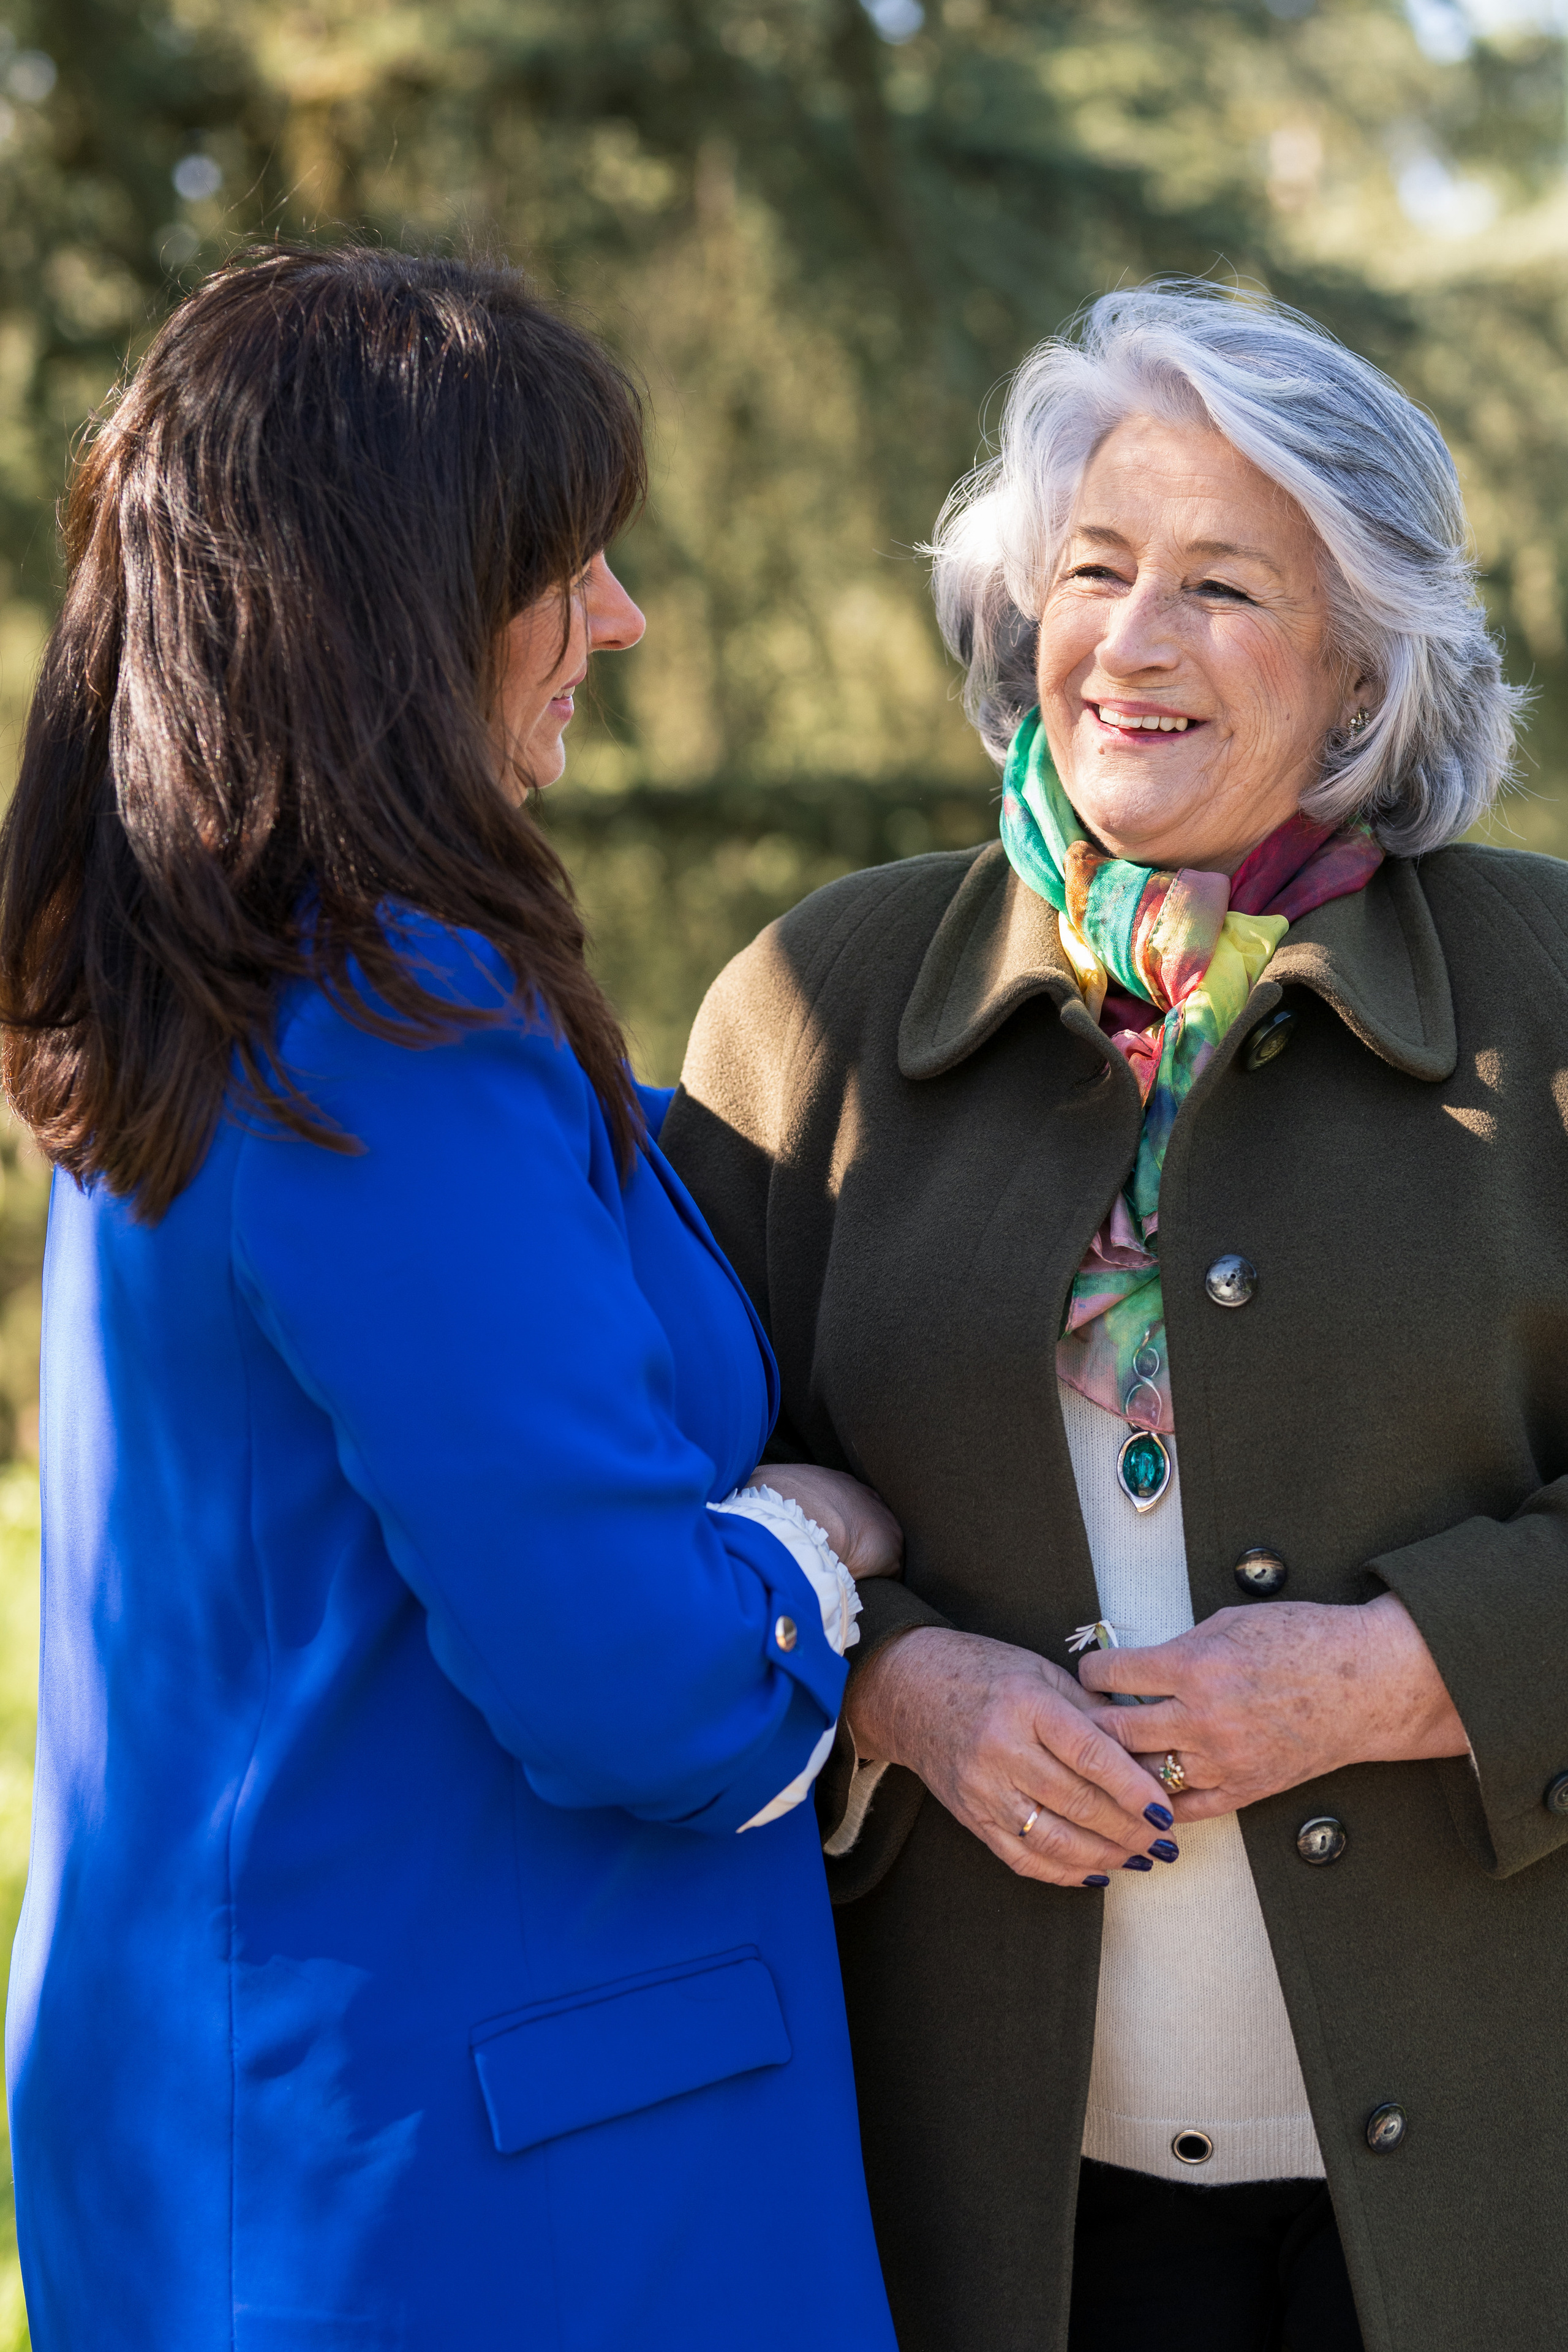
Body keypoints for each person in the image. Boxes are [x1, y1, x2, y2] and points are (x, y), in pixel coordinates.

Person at [0, 245, 902, 2352]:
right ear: (400, 602)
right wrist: (813, 1543)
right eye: (561, 559)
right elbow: (643, 1691)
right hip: (506, 2198)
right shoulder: (391, 1021)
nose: (620, 616)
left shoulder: (207, 989)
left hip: (260, 2133)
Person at [664, 281, 1568, 2352]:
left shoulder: (1551, 988)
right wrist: (894, 1692)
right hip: (984, 2211)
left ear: (1362, 658)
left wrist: (1400, 1670)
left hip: (1503, 2194)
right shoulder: (811, 1011)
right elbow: (652, 1515)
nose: (1134, 645)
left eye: (1224, 587)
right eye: (1094, 569)